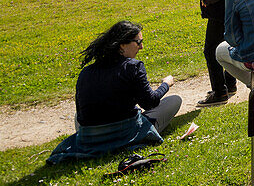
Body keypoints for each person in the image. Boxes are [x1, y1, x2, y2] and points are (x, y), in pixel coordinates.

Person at [47, 21, 181, 164]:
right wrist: (165, 85)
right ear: (122, 44)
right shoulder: (133, 67)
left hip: (92, 138)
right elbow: (150, 102)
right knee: (174, 100)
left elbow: (80, 114)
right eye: (138, 42)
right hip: (127, 133)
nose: (141, 47)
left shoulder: (86, 72)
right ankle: (127, 139)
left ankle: (102, 140)